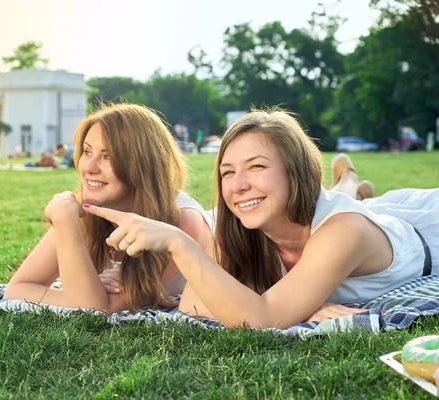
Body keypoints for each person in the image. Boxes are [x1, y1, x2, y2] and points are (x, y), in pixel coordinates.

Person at [83, 108, 438, 329]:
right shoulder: (242, 223)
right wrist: (302, 305)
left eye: (256, 167)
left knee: (343, 210)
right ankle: (350, 182)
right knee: (338, 202)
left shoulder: (345, 231)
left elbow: (264, 318)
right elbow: (192, 304)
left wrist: (180, 243)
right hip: (340, 216)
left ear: (295, 170)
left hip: (421, 229)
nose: (238, 186)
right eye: (227, 172)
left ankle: (350, 183)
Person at [4, 103, 213, 313]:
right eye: (86, 152)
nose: (89, 167)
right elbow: (17, 289)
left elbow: (96, 309)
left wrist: (65, 221)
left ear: (142, 164)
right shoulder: (83, 209)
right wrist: (90, 288)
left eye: (108, 157)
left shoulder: (180, 221)